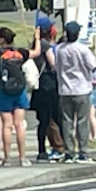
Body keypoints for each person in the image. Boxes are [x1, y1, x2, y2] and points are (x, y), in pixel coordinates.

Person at [0, 27, 37, 166]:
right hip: (19, 90)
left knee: (7, 125)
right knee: (19, 125)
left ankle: (7, 158)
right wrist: (37, 38)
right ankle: (22, 157)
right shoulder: (20, 52)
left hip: (3, 90)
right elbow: (36, 52)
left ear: (2, 39)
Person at [56, 22, 96, 163]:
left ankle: (69, 152)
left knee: (67, 122)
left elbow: (56, 66)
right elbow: (93, 66)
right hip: (81, 89)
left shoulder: (59, 49)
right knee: (82, 121)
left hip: (64, 89)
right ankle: (83, 152)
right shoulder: (83, 49)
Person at [32, 17, 65, 161]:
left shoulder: (36, 44)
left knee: (43, 120)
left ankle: (41, 149)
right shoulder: (45, 46)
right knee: (56, 117)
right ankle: (63, 147)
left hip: (39, 86)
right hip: (49, 84)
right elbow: (53, 64)